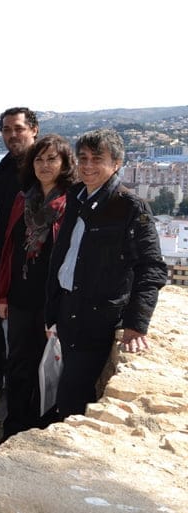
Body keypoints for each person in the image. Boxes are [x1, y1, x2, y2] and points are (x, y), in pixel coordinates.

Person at [45, 129, 166, 419]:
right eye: (83, 158)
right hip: (67, 308)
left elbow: (151, 267)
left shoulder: (130, 207)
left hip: (96, 317)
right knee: (71, 388)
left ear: (117, 163)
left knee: (71, 393)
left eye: (97, 159)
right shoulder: (76, 196)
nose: (87, 165)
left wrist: (137, 324)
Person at [0, 134, 74, 441]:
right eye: (39, 159)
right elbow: (9, 250)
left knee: (47, 369)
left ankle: (38, 430)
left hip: (51, 300)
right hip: (19, 296)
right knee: (18, 364)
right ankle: (13, 427)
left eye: (52, 159)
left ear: (65, 163)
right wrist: (2, 293)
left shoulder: (72, 202)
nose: (44, 165)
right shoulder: (22, 199)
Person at [0, 107, 41, 392]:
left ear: (34, 130)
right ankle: (8, 392)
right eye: (6, 130)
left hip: (35, 268)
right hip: (2, 264)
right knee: (4, 332)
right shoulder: (1, 171)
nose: (12, 135)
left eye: (18, 128)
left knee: (28, 339)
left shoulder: (45, 167)